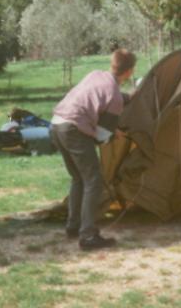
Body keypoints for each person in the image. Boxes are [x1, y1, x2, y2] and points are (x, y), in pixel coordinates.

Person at [50, 49, 136, 250]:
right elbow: (101, 134)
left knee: (78, 178)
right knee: (93, 180)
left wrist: (129, 97)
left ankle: (74, 226)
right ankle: (88, 236)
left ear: (112, 64)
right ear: (130, 71)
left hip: (56, 124)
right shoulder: (114, 97)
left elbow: (102, 95)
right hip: (73, 129)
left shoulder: (96, 74)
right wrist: (115, 134)